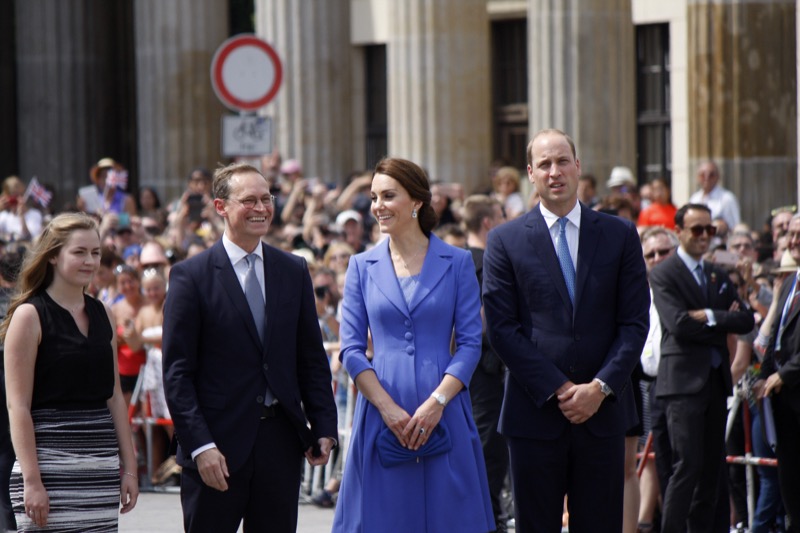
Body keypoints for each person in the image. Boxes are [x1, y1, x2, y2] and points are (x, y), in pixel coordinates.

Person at [482, 129, 650, 533]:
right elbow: (503, 330)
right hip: (533, 415)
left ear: (577, 167)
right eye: (544, 164)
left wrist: (599, 388)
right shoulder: (504, 241)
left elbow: (634, 323)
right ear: (531, 174)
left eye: (562, 161)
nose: (554, 171)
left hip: (603, 413)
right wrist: (560, 389)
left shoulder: (619, 234)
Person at [162, 162, 337, 533]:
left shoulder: (293, 270)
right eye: (249, 200)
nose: (261, 208)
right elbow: (177, 374)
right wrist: (200, 446)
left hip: (280, 445)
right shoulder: (190, 277)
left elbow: (311, 357)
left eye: (266, 198)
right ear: (221, 207)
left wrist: (324, 425)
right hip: (216, 449)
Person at [332, 157, 494, 532]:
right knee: (382, 519)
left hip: (446, 410)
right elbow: (352, 349)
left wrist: (437, 402)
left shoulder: (456, 263)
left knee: (450, 518)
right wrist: (387, 409)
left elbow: (470, 344)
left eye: (389, 195)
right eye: (374, 197)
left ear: (417, 202)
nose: (377, 206)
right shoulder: (361, 266)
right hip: (380, 413)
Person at [1, 213, 138, 531]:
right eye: (79, 252)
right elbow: (17, 406)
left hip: (99, 468)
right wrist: (33, 481)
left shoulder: (104, 312)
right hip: (48, 470)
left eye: (95, 252)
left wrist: (129, 467)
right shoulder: (29, 316)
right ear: (52, 255)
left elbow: (115, 396)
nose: (90, 260)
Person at [649, 203, 754, 533]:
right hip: (681, 384)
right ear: (678, 231)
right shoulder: (663, 273)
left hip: (714, 381)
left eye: (710, 230)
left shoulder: (717, 275)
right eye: (697, 229)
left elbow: (745, 318)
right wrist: (720, 321)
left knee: (712, 469)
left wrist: (709, 316)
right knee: (687, 465)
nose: (705, 236)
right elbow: (678, 324)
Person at [463, 194, 510, 532]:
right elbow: (484, 324)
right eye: (502, 215)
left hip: (471, 372)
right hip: (485, 371)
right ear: (488, 222)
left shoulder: (456, 261)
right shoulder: (481, 264)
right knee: (487, 450)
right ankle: (486, 520)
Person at [759, 214, 800, 529]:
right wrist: (764, 375)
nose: (793, 241)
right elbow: (774, 337)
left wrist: (784, 374)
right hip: (783, 407)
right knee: (791, 488)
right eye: (790, 234)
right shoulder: (788, 282)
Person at [689, 160, 741, 230]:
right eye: (702, 175)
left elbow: (735, 226)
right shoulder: (694, 198)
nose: (706, 178)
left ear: (718, 176)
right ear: (697, 177)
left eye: (711, 175)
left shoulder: (727, 198)